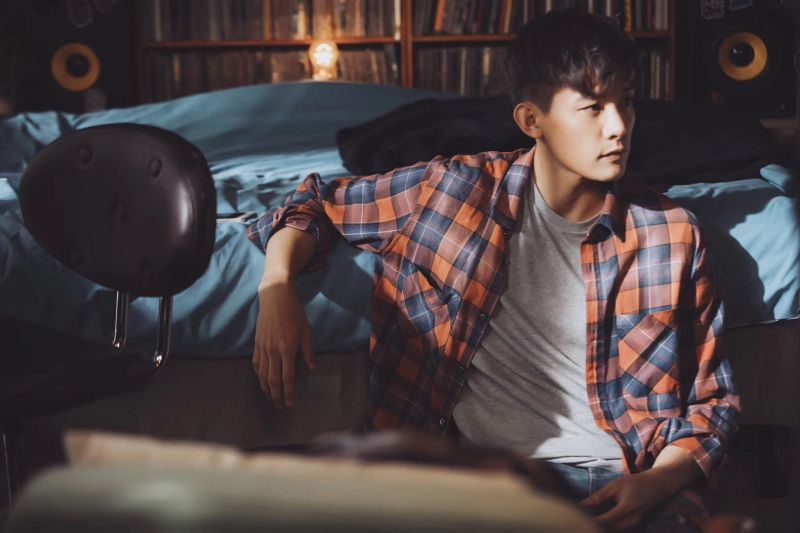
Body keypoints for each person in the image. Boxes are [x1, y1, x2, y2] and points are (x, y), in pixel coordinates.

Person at [247, 9, 740, 532]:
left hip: (626, 481)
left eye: (627, 102)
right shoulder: (449, 192)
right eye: (593, 107)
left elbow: (712, 405)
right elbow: (315, 202)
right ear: (531, 121)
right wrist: (276, 285)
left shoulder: (671, 235)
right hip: (484, 486)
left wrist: (657, 482)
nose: (618, 126)